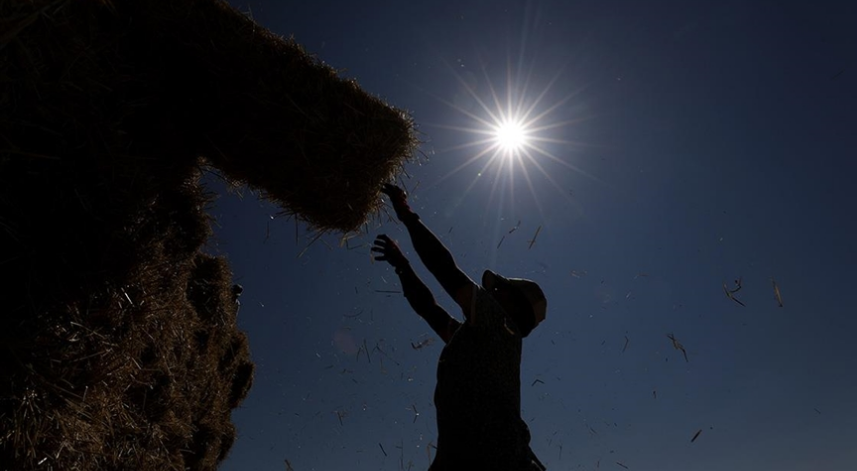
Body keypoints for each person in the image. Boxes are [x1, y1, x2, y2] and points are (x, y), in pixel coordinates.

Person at [371, 183, 548, 471]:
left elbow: (445, 270)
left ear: (516, 307)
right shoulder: (481, 343)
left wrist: (405, 213)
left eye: (500, 289)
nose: (492, 292)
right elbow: (431, 311)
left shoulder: (503, 327)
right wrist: (402, 266)